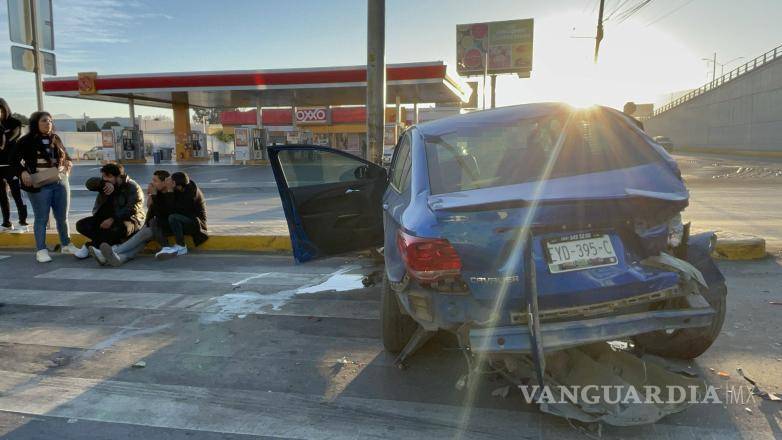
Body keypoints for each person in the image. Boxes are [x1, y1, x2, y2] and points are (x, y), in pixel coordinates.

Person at [17, 111, 78, 262]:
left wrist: (68, 163)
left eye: (50, 121)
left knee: (62, 217)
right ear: (35, 123)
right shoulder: (27, 140)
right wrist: (22, 172)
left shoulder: (55, 138)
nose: (48, 123)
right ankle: (41, 250)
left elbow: (67, 157)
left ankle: (66, 244)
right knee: (41, 219)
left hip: (61, 182)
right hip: (40, 184)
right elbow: (13, 160)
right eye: (44, 121)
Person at [99, 169, 175, 266]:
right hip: (156, 226)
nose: (152, 183)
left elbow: (164, 214)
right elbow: (152, 212)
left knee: (146, 232)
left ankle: (111, 253)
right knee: (142, 241)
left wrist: (154, 195)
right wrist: (151, 197)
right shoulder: (158, 193)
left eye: (155, 181)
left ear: (165, 182)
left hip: (167, 226)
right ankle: (120, 259)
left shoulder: (170, 194)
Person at [74, 162, 144, 262]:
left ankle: (90, 245)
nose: (105, 179)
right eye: (103, 176)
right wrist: (103, 183)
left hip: (129, 220)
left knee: (118, 229)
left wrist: (112, 219)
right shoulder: (104, 184)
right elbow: (89, 183)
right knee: (81, 225)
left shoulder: (132, 187)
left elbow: (131, 209)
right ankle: (111, 245)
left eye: (109, 177)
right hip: (104, 218)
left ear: (119, 177)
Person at [155, 171, 208, 259]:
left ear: (174, 183)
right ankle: (166, 247)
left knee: (173, 217)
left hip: (196, 223)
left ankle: (181, 246)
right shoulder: (180, 188)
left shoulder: (191, 193)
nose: (167, 182)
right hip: (185, 219)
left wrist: (170, 191)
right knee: (158, 220)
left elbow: (175, 210)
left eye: (170, 181)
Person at [0, 98, 28, 232]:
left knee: (17, 193)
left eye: (0, 110)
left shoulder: (15, 123)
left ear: (5, 109)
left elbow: (9, 141)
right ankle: (6, 222)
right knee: (2, 195)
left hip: (12, 165)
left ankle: (23, 221)